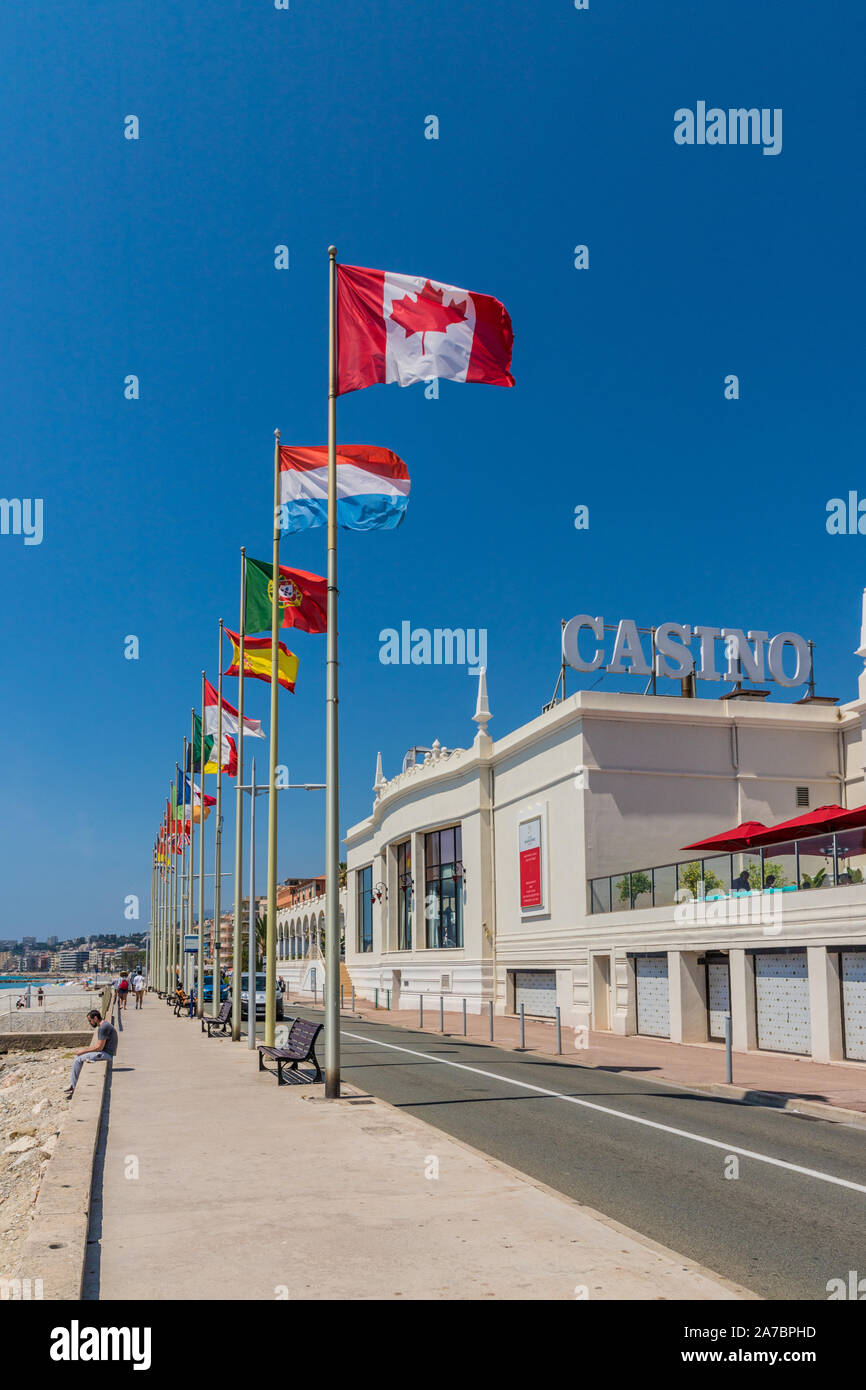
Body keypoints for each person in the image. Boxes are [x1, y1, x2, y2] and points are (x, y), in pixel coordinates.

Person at [65, 1010, 118, 1097]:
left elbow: (99, 1047)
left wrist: (83, 1051)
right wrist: (84, 1050)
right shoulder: (104, 1025)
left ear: (95, 1018)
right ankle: (73, 1085)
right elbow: (98, 1046)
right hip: (105, 1052)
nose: (90, 1023)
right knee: (78, 1057)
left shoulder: (103, 1027)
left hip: (107, 1054)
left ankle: (74, 1088)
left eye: (90, 1020)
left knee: (78, 1059)